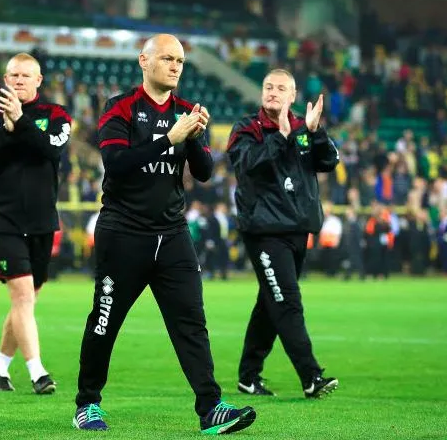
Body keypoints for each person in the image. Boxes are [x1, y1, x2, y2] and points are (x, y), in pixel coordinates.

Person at [73, 34, 256, 435]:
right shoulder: (120, 107)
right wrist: (169, 139)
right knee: (105, 320)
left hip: (172, 233)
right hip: (123, 232)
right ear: (144, 61)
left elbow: (204, 173)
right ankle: (87, 404)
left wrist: (195, 138)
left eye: (180, 61)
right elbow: (116, 163)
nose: (175, 66)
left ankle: (211, 408)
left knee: (191, 322)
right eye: (168, 58)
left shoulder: (186, 112)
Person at [227, 68, 339, 399]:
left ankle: (248, 376)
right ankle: (311, 376)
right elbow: (246, 164)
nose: (273, 92)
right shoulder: (246, 128)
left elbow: (329, 161)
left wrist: (315, 132)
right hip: (264, 231)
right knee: (287, 301)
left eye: (280, 88)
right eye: (268, 87)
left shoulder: (304, 128)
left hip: (297, 229)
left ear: (292, 96)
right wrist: (279, 136)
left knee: (270, 303)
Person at [0, 52, 71, 394]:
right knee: (23, 297)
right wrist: (7, 128)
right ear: (5, 80)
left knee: (26, 300)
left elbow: (51, 150)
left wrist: (21, 122)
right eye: (13, 75)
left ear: (38, 80)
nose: (18, 80)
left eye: (25, 75)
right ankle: (37, 372)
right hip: (5, 219)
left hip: (42, 220)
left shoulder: (57, 116)